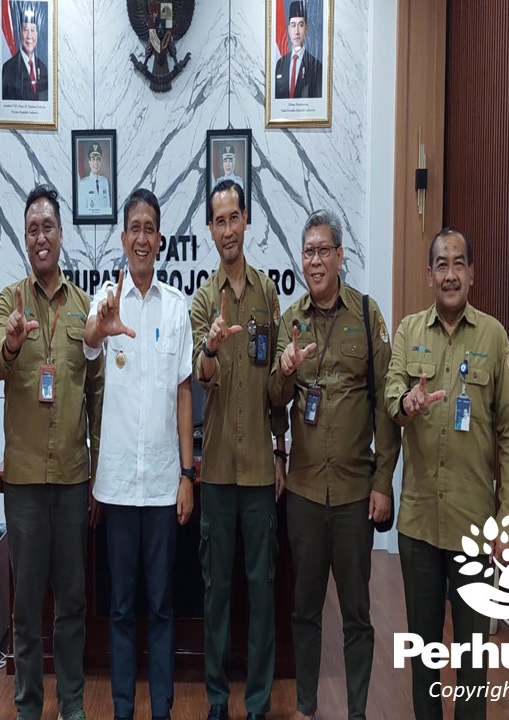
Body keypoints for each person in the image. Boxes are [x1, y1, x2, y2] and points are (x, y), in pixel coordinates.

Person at [385, 227, 509, 720]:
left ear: (472, 274)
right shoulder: (408, 332)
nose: (450, 274)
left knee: (472, 659)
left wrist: (506, 524)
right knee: (424, 653)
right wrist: (407, 402)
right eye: (441, 264)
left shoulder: (493, 336)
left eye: (458, 263)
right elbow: (391, 395)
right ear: (429, 275)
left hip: (474, 527)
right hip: (420, 523)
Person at [269, 209, 400, 720]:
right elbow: (274, 400)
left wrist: (383, 481)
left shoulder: (367, 315)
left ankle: (358, 711)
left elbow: (386, 407)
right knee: (304, 610)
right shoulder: (291, 319)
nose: (316, 260)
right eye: (308, 252)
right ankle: (306, 707)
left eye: (324, 250)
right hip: (303, 492)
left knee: (356, 614)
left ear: (341, 256)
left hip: (352, 494)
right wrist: (284, 371)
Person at [0, 184, 104, 720]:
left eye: (48, 227)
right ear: (25, 237)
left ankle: (72, 703)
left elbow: (97, 392)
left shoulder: (84, 308)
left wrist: (99, 472)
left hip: (74, 478)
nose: (41, 237)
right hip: (26, 483)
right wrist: (12, 343)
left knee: (73, 601)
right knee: (27, 604)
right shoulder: (7, 302)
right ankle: (29, 706)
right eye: (32, 228)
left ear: (61, 234)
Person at [84, 188, 195, 720]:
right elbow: (88, 341)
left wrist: (187, 474)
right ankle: (124, 709)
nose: (143, 238)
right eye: (135, 228)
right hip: (119, 486)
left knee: (162, 605)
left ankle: (163, 710)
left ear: (160, 239)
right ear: (123, 237)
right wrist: (99, 328)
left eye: (150, 228)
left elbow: (184, 393)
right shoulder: (106, 301)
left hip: (163, 486)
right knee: (122, 606)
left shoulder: (176, 307)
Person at [191, 180, 286, 720]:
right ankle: (216, 700)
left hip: (258, 475)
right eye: (218, 221)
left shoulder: (268, 294)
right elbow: (202, 376)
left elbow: (276, 385)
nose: (227, 229)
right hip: (219, 471)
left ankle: (257, 702)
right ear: (210, 230)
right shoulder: (205, 299)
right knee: (216, 595)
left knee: (262, 592)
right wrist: (210, 346)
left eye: (234, 218)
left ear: (246, 220)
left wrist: (280, 452)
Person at [274, 1, 323, 100]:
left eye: (300, 25)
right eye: (293, 25)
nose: (296, 31)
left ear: (306, 29)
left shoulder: (316, 66)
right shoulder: (280, 64)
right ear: (289, 29)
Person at [2, 3, 48, 101]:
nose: (29, 36)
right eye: (26, 30)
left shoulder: (43, 68)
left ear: (37, 34)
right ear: (20, 33)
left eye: (33, 30)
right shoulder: (8, 68)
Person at [77, 143, 112, 216]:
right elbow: (82, 211)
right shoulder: (84, 184)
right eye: (93, 159)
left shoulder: (104, 181)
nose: (96, 163)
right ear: (89, 163)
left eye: (98, 159)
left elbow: (108, 208)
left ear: (100, 162)